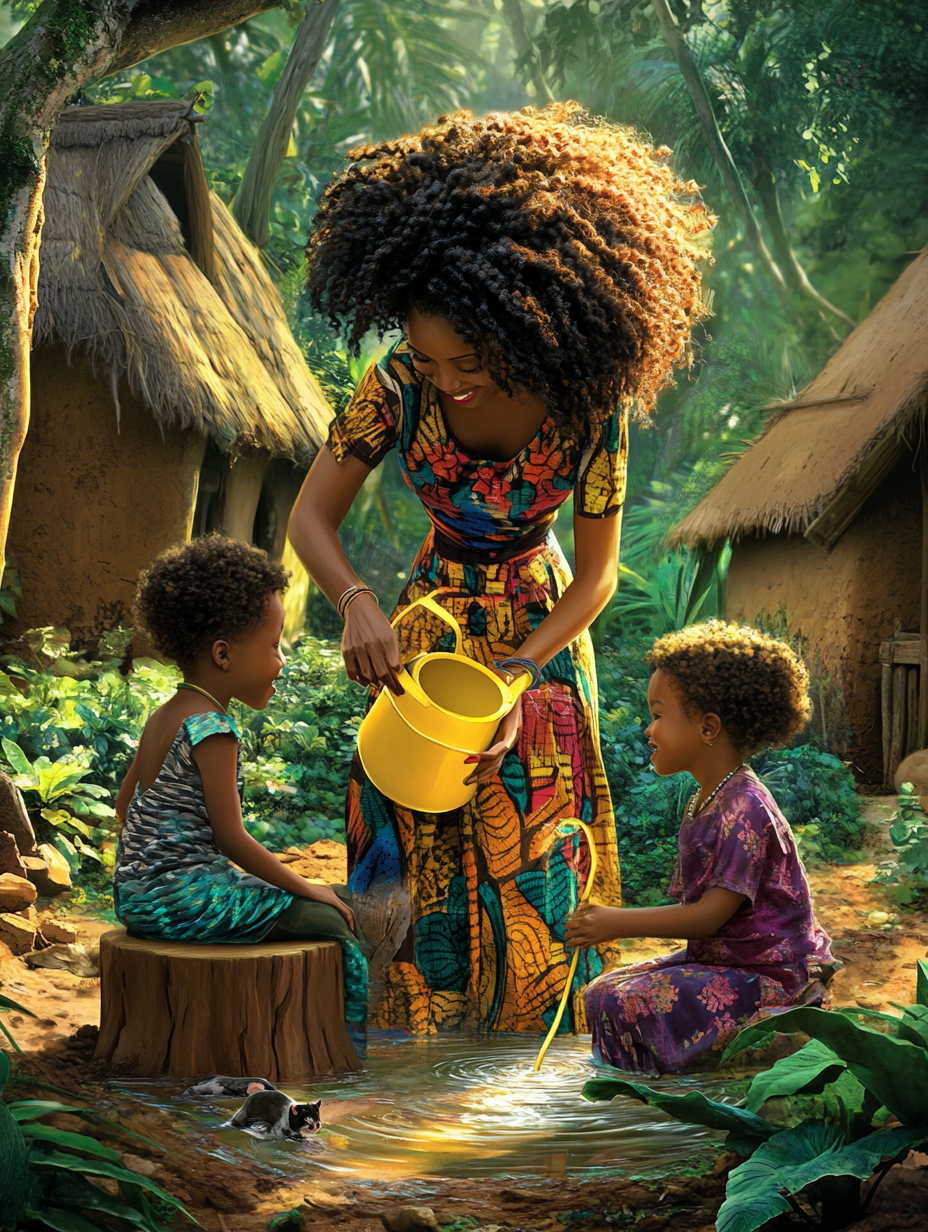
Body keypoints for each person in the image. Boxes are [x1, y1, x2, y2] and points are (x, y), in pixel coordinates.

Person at [289, 103, 712, 1034]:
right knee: (407, 829)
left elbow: (598, 573)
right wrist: (355, 601)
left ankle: (533, 1065)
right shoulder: (397, 384)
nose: (446, 380)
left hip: (543, 632)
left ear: (529, 326)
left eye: (468, 360)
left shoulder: (589, 403)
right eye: (430, 357)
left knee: (536, 845)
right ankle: (408, 1051)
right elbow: (309, 518)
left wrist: (525, 669)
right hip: (427, 627)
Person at [113, 535, 368, 1037]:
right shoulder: (214, 728)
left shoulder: (163, 715)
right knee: (336, 923)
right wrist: (307, 886)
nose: (281, 661)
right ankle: (349, 1051)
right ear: (224, 654)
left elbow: (126, 808)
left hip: (136, 897)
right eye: (274, 646)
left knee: (334, 897)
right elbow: (232, 840)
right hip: (184, 903)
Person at [569, 621, 835, 1073]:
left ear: (708, 727)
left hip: (768, 977)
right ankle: (633, 1091)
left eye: (657, 715)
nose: (648, 729)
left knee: (624, 1003)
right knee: (599, 992)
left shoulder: (745, 808)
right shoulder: (706, 799)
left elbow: (709, 915)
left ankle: (657, 1098)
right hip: (721, 961)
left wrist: (617, 922)